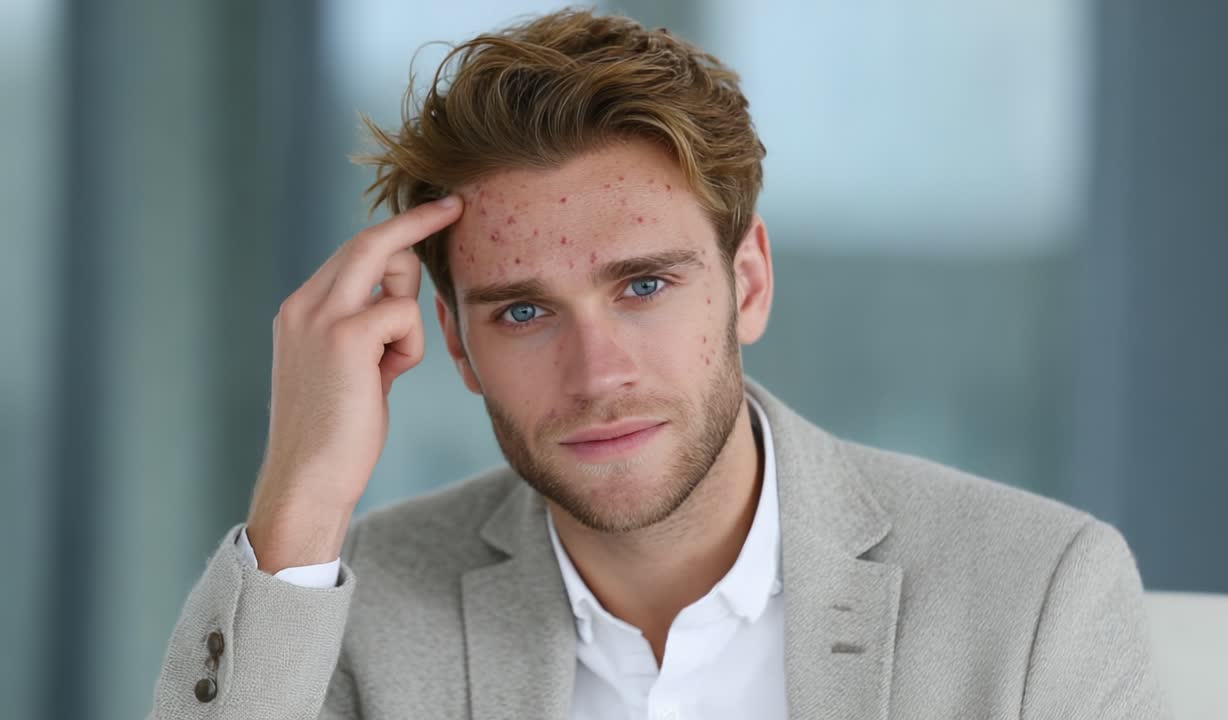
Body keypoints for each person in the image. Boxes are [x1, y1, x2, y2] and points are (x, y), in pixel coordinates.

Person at [148, 8, 1169, 719]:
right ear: (452, 344)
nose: (595, 373)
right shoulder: (346, 604)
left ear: (748, 282)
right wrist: (299, 503)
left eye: (642, 286)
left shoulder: (1035, 595)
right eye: (521, 312)